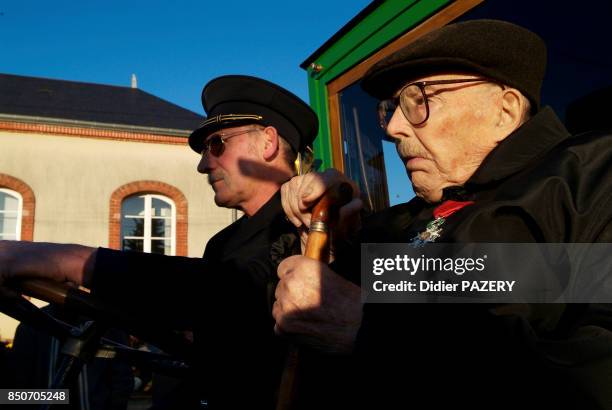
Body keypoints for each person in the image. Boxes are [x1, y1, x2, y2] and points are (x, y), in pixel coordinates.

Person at [273, 19, 612, 409]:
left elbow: (594, 373)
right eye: (392, 109)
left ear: (505, 111)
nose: (395, 128)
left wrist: (371, 329)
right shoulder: (408, 218)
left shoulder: (590, 176)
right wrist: (330, 240)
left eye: (419, 100)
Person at [0, 74, 319, 409]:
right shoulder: (224, 242)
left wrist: (65, 261)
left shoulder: (324, 223)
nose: (203, 163)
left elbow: (226, 292)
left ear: (267, 143)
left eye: (217, 145)